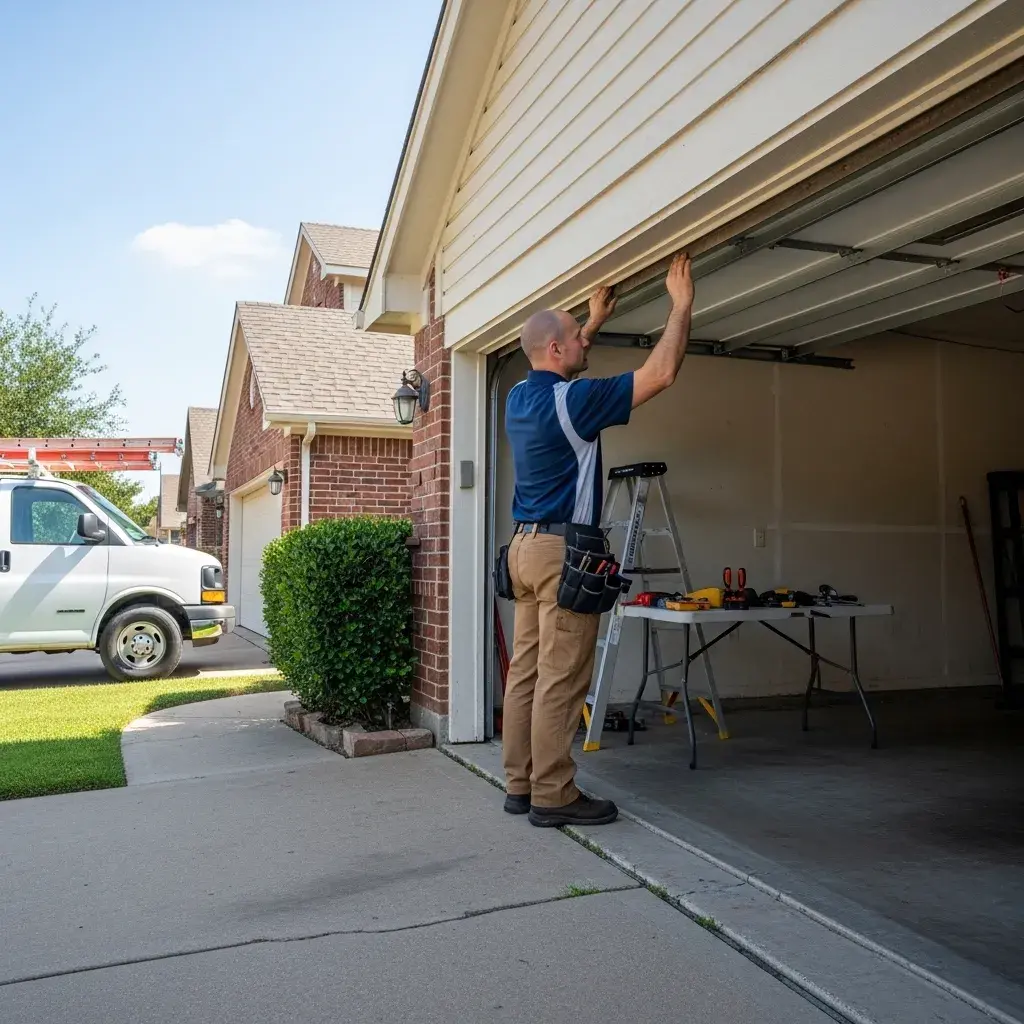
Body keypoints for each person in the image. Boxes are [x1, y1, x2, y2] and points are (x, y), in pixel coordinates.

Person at [502, 252, 695, 827]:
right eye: (577, 341)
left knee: (528, 674)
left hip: (522, 551)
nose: (586, 348)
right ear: (557, 351)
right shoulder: (575, 403)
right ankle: (553, 796)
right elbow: (660, 373)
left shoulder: (519, 397)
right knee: (563, 679)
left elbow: (559, 364)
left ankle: (519, 784)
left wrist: (590, 322)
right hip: (563, 555)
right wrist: (680, 306)